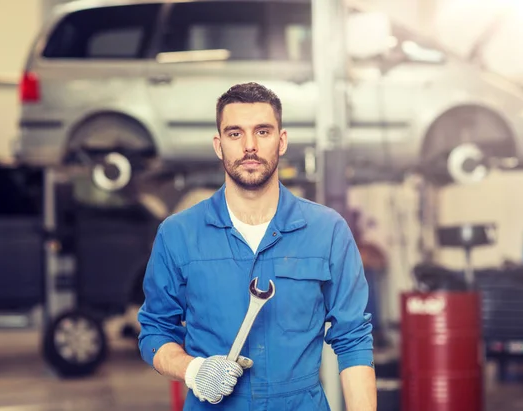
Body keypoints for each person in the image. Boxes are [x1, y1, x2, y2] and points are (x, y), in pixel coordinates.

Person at [137, 82, 376, 410]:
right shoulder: (178, 235)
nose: (249, 146)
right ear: (219, 146)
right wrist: (193, 370)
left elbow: (353, 339)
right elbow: (155, 331)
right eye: (235, 134)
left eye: (262, 132)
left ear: (282, 141)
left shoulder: (327, 230)